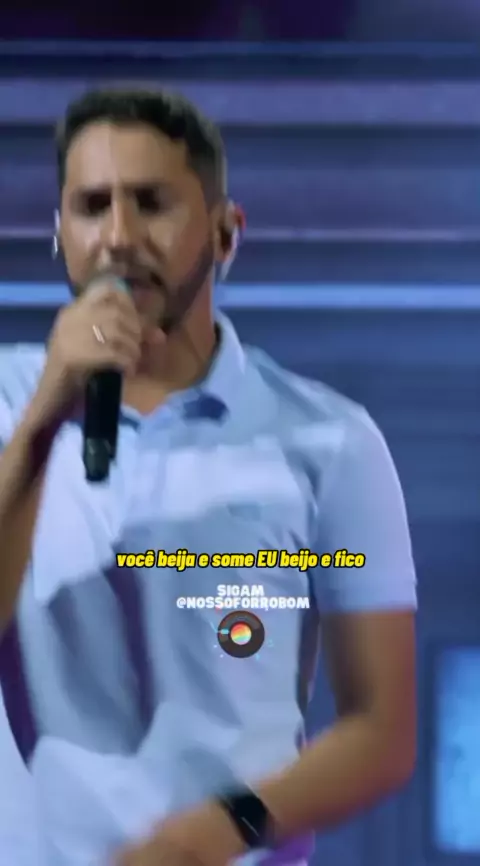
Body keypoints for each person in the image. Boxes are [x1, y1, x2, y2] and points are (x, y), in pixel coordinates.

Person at [0, 87, 417, 866]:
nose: (118, 237)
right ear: (59, 235)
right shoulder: (7, 407)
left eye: (151, 203)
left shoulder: (330, 441)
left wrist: (215, 832)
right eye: (92, 207)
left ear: (225, 234)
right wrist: (39, 427)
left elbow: (381, 731)